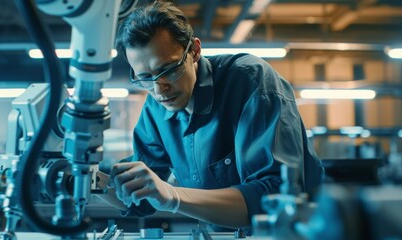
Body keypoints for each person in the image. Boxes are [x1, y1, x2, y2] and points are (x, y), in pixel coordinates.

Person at [96, 1, 323, 231]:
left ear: (194, 51)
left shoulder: (250, 81)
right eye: (145, 77)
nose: (158, 89)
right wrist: (86, 181)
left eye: (168, 70)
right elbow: (141, 198)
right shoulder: (156, 109)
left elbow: (273, 199)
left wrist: (172, 196)